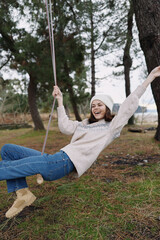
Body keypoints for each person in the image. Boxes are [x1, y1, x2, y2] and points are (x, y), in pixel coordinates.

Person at [0, 66, 160, 219]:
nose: (96, 108)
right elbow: (65, 127)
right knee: (8, 151)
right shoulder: (84, 124)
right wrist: (60, 101)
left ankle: (23, 191)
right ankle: (22, 194)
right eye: (93, 105)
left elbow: (128, 105)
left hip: (61, 164)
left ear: (108, 108)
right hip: (55, 158)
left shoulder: (112, 127)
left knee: (7, 168)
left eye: (100, 105)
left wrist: (150, 78)